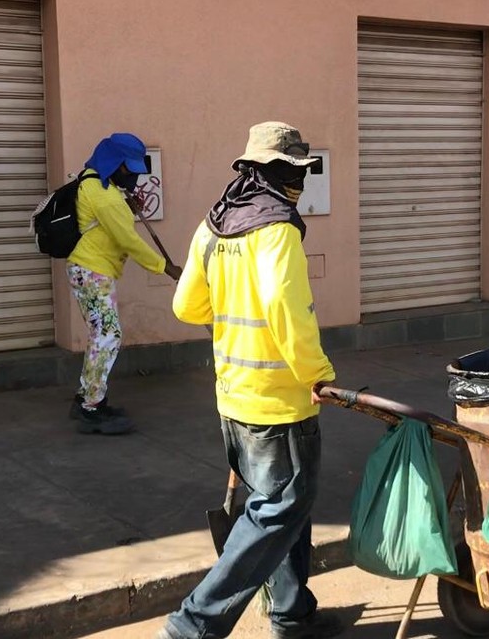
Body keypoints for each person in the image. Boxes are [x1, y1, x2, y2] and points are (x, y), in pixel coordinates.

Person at [162, 122, 343, 639]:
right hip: (280, 404)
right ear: (279, 173)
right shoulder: (276, 229)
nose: (300, 183)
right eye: (296, 172)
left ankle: (292, 613)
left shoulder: (215, 224)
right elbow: (288, 310)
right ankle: (192, 626)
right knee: (276, 514)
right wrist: (318, 374)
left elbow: (186, 307)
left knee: (286, 510)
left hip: (233, 397)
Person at [67, 132, 182, 435]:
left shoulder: (94, 181)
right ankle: (90, 408)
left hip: (90, 270)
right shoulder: (106, 196)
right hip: (92, 270)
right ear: (115, 163)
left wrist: (126, 206)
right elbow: (129, 241)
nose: (133, 176)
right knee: (108, 336)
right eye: (129, 169)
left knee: (102, 336)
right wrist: (165, 267)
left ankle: (89, 397)